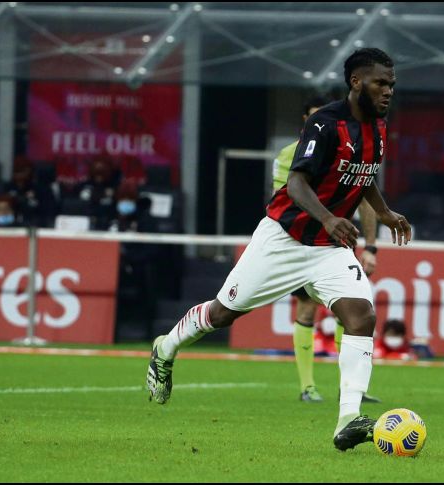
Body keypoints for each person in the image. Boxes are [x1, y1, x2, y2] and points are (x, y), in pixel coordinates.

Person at [146, 47, 407, 452]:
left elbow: (365, 173)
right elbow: (298, 184)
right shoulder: (325, 123)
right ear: (357, 82)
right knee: (223, 313)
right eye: (380, 82)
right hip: (283, 240)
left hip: (328, 248)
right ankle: (166, 347)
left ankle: (348, 420)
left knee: (361, 317)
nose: (388, 90)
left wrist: (384, 211)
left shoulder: (379, 127)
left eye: (391, 83)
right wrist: (328, 217)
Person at [273, 94, 381, 403]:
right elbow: (288, 198)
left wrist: (371, 246)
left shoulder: (352, 149)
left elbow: (365, 200)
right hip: (304, 242)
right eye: (314, 117)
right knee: (307, 307)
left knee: (349, 311)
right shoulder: (289, 156)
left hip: (338, 244)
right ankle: (307, 387)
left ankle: (348, 388)